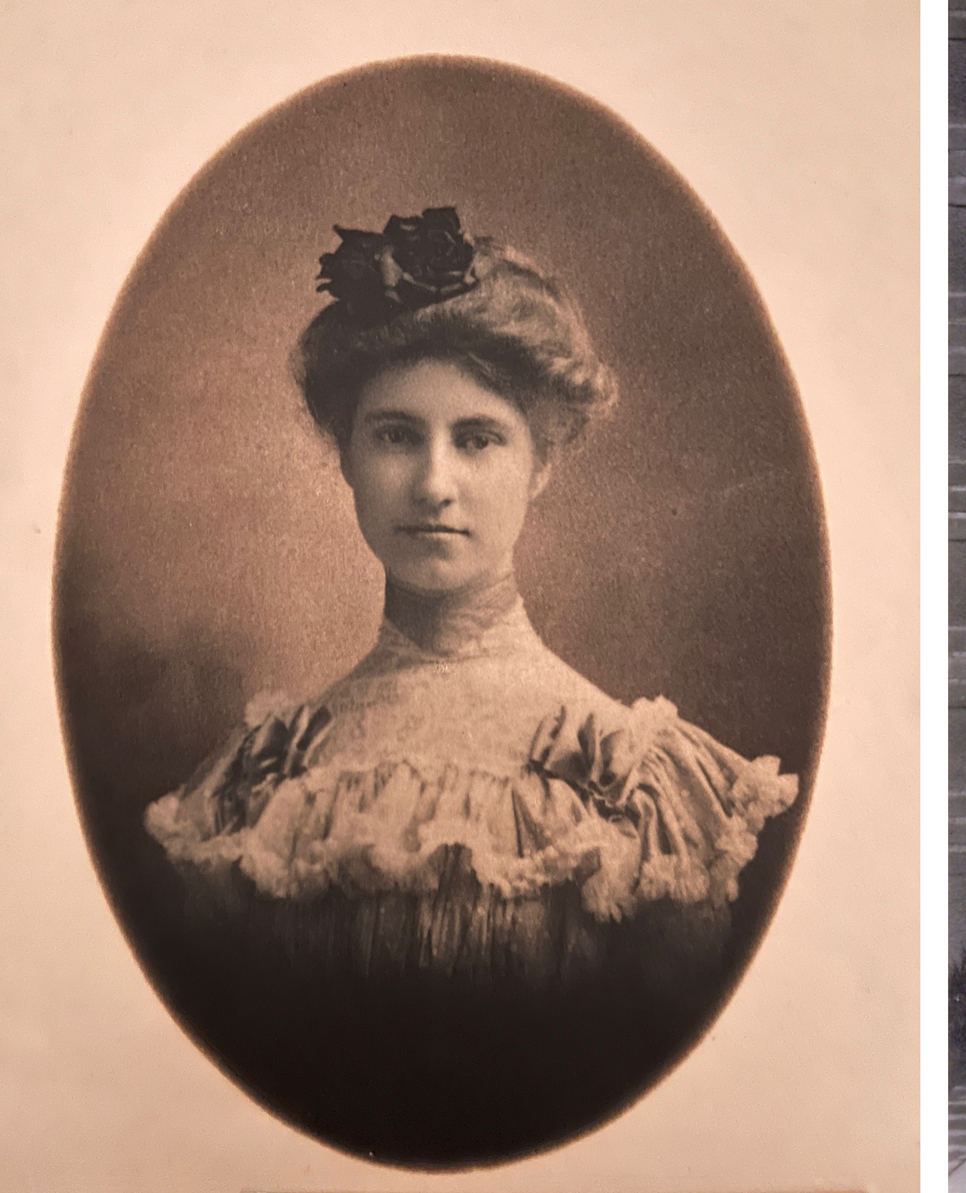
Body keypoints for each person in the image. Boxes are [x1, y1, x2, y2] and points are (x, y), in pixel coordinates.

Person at [142, 210, 804, 1137]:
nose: (433, 484)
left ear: (543, 463)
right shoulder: (258, 777)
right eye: (395, 435)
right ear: (345, 455)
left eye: (479, 438)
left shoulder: (638, 778)